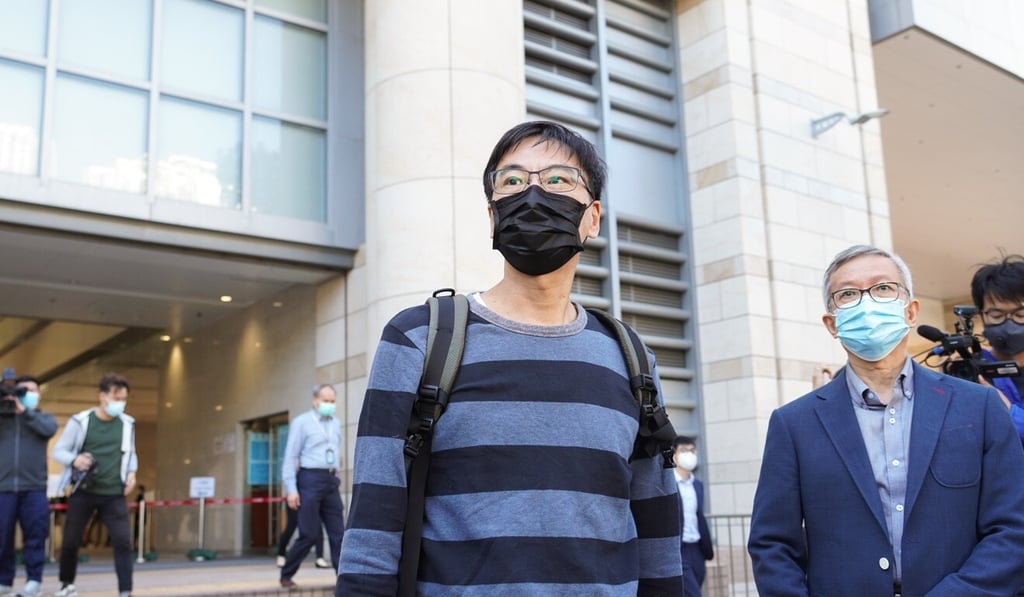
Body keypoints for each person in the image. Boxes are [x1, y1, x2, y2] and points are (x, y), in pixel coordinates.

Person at [337, 120, 683, 595]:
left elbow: (657, 519)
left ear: (592, 217)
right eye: (513, 181)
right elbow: (374, 514)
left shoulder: (631, 358)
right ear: (493, 214)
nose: (534, 194)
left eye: (558, 179)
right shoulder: (419, 337)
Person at [748, 244, 1024, 596]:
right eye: (848, 294)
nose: (867, 303)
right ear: (832, 324)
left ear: (911, 311)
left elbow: (1013, 529)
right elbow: (772, 546)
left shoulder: (979, 405)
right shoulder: (794, 423)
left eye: (882, 288)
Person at [51, 373, 138, 597]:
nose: (120, 403)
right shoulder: (81, 421)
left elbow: (131, 454)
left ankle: (125, 591)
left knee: (122, 542)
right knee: (71, 540)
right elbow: (59, 450)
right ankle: (66, 584)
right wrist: (75, 460)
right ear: (102, 396)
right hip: (84, 491)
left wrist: (131, 474)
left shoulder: (127, 424)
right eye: (116, 397)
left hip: (114, 493)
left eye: (123, 398)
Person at [279, 385, 345, 589]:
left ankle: (343, 579)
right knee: (308, 534)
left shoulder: (337, 423)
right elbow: (291, 456)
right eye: (326, 400)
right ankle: (286, 574)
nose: (329, 405)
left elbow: (335, 450)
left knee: (339, 534)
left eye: (333, 401)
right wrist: (291, 488)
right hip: (309, 479)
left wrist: (336, 470)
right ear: (315, 400)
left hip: (330, 481)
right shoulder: (302, 422)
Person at [0, 372, 57, 597]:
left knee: (35, 535)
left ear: (38, 394)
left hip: (34, 488)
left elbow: (49, 430)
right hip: (3, 488)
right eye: (21, 391)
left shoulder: (44, 418)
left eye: (30, 391)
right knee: (2, 537)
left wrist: (26, 413)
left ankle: (34, 580)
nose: (25, 395)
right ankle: (4, 580)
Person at [971, 254, 1024, 445]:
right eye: (996, 314)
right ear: (980, 315)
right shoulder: (971, 367)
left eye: (1020, 314)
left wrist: (1009, 412)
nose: (1009, 323)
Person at [671, 436, 713, 597]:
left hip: (697, 548)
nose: (689, 454)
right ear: (674, 455)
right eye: (684, 451)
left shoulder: (698, 485)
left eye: (692, 451)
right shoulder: (668, 484)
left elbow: (699, 516)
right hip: (679, 548)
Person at [276, 504, 328, 569]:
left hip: (312, 501)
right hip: (296, 500)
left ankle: (320, 557)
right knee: (290, 527)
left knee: (317, 526)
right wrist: (292, 493)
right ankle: (281, 554)